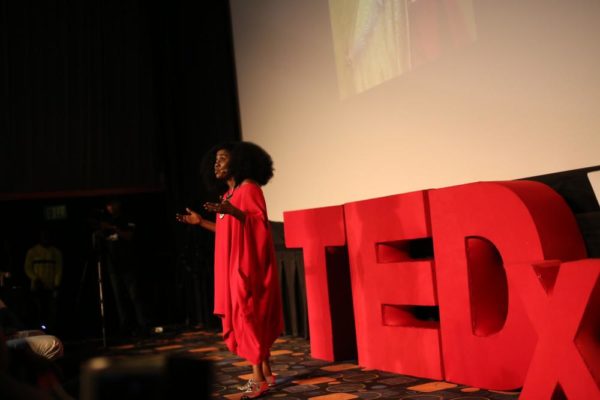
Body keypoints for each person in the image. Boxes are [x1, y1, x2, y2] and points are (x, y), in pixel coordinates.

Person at [176, 141, 283, 399]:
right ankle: (266, 372)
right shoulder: (226, 196)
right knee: (244, 315)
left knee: (247, 315)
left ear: (237, 161)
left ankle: (258, 378)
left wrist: (235, 212)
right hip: (231, 265)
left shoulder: (249, 189)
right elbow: (226, 231)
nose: (217, 164)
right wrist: (201, 222)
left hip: (247, 266)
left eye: (222, 159)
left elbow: (259, 225)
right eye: (214, 161)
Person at [99, 199, 147, 339]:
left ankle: (143, 326)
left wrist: (113, 228)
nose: (109, 207)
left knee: (135, 296)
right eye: (107, 205)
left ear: (118, 204)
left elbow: (128, 235)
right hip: (113, 266)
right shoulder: (105, 221)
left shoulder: (126, 218)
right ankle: (126, 328)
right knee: (119, 299)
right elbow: (104, 239)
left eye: (112, 203)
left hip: (129, 264)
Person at [24, 228, 63, 333]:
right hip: (37, 287)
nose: (45, 238)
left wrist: (56, 284)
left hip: (50, 287)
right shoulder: (32, 251)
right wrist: (35, 278)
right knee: (38, 309)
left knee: (51, 310)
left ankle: (51, 330)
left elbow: (59, 269)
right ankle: (39, 330)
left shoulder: (56, 252)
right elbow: (27, 268)